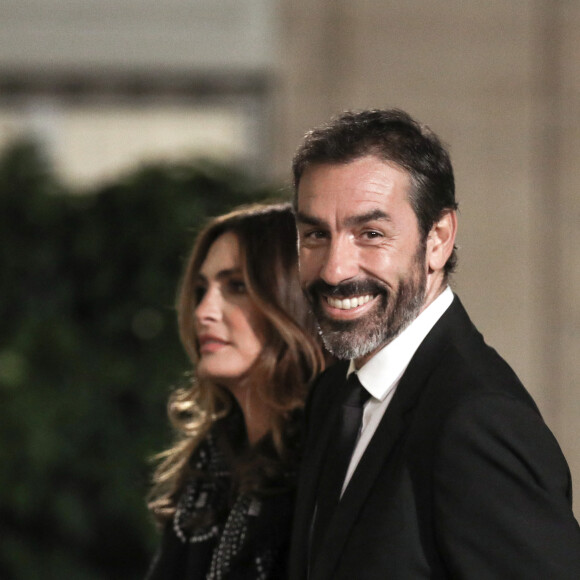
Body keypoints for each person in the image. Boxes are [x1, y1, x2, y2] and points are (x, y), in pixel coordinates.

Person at [289, 108, 580, 579]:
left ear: (438, 239)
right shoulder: (333, 397)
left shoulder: (476, 420)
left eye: (371, 234)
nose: (334, 269)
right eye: (315, 235)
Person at [145, 202, 325, 580]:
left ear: (291, 301)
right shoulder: (210, 462)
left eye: (236, 286)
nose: (203, 312)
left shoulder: (330, 458)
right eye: (200, 290)